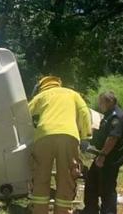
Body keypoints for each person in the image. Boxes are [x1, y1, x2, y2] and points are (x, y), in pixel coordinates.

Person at [28, 76, 92, 214]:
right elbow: (84, 112)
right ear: (58, 83)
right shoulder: (72, 94)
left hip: (44, 136)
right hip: (69, 136)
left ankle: (39, 211)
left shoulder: (42, 95)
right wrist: (86, 136)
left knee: (40, 175)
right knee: (67, 176)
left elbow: (25, 113)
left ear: (41, 86)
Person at [82, 91, 123, 214]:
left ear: (110, 102)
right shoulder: (108, 114)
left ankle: (108, 212)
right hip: (102, 155)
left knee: (107, 187)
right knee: (91, 182)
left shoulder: (117, 117)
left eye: (101, 102)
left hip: (109, 158)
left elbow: (113, 138)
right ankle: (91, 209)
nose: (100, 105)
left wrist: (103, 156)